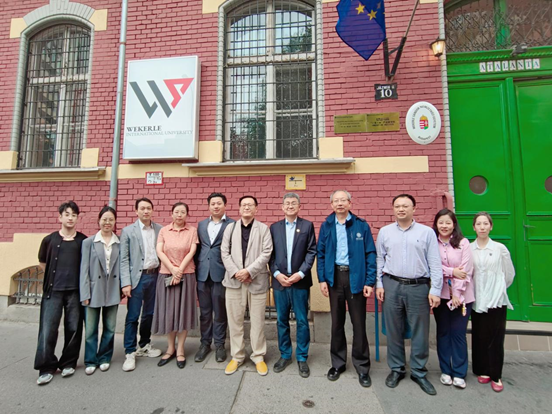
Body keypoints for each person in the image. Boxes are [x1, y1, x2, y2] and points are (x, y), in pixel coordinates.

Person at [376, 194, 442, 395]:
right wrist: (379, 284)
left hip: (418, 286)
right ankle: (397, 369)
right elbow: (380, 259)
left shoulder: (426, 232)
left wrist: (435, 289)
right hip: (392, 284)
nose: (401, 209)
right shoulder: (385, 232)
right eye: (397, 206)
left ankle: (419, 371)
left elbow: (435, 262)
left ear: (414, 208)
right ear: (393, 209)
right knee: (394, 329)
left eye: (405, 206)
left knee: (420, 331)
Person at [317, 190, 376, 388]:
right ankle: (338, 364)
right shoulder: (326, 225)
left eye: (343, 200)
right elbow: (321, 254)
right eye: (336, 201)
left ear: (350, 203)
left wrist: (369, 282)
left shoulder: (361, 225)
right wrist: (322, 279)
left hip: (356, 277)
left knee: (358, 323)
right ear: (331, 204)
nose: (340, 203)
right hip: (335, 277)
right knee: (336, 323)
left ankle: (362, 366)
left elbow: (370, 253)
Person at [34, 201, 87, 385]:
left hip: (75, 292)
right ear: (60, 217)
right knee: (48, 329)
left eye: (74, 215)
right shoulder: (50, 240)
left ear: (77, 218)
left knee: (73, 328)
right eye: (67, 214)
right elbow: (42, 263)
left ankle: (68, 363)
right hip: (53, 291)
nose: (70, 218)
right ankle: (46, 367)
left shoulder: (83, 241)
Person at [221, 195, 273, 376]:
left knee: (258, 321)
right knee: (235, 321)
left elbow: (267, 252)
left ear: (256, 209)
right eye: (244, 205)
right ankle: (237, 356)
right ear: (239, 208)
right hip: (234, 282)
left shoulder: (263, 229)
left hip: (256, 281)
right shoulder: (230, 228)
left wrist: (249, 272)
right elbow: (224, 252)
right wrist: (237, 273)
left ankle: (258, 356)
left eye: (250, 205)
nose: (247, 207)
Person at [269, 193, 316, 378]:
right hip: (280, 282)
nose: (290, 206)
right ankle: (285, 355)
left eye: (293, 203)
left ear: (299, 207)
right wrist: (277, 274)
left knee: (302, 321)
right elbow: (270, 255)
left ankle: (302, 357)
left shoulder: (307, 226)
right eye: (287, 203)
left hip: (300, 282)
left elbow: (311, 251)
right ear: (282, 207)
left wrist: (301, 273)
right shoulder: (274, 228)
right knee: (281, 320)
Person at [471, 212, 515, 393]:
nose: (482, 227)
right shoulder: (469, 249)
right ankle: (482, 369)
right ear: (474, 227)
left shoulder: (499, 248)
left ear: (491, 226)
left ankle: (496, 374)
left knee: (496, 338)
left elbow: (509, 273)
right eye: (479, 224)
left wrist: (497, 289)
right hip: (477, 297)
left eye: (485, 224)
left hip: (496, 299)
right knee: (480, 335)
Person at [432, 208, 474, 389]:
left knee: (458, 333)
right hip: (440, 295)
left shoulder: (463, 243)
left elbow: (466, 270)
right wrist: (451, 271)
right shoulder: (432, 242)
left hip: (463, 297)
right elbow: (432, 266)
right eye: (441, 222)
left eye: (448, 222)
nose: (444, 226)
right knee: (443, 333)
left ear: (454, 224)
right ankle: (445, 370)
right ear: (436, 224)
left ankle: (459, 372)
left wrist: (457, 294)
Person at [153, 202, 199, 369]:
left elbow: (192, 251)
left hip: (186, 274)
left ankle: (180, 350)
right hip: (167, 274)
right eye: (176, 212)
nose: (179, 215)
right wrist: (173, 269)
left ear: (187, 214)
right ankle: (170, 348)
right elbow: (159, 251)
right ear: (171, 214)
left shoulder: (192, 231)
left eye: (183, 212)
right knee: (170, 312)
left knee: (183, 312)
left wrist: (179, 271)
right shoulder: (164, 231)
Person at [120, 197, 163, 372]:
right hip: (136, 279)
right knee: (133, 315)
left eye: (148, 208)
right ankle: (130, 351)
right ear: (136, 211)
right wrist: (126, 283)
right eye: (142, 208)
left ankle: (144, 344)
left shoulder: (160, 229)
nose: (146, 211)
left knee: (149, 313)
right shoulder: (128, 231)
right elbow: (124, 259)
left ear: (152, 210)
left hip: (155, 276)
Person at [80, 206, 121, 375]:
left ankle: (104, 357)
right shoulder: (89, 242)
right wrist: (84, 293)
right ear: (99, 220)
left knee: (110, 328)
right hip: (93, 290)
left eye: (111, 219)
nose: (107, 222)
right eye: (104, 219)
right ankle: (90, 360)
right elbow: (83, 269)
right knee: (90, 329)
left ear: (115, 221)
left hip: (112, 289)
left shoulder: (119, 242)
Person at [194, 192, 235, 363]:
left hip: (221, 273)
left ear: (225, 205)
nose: (216, 206)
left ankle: (219, 345)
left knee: (220, 311)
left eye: (219, 203)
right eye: (213, 203)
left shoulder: (232, 224)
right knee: (204, 312)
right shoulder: (201, 224)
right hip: (203, 273)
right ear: (208, 206)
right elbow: (198, 249)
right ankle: (205, 343)